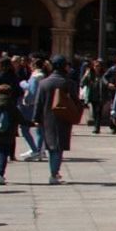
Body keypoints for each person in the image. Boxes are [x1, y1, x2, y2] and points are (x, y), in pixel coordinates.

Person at [31, 55, 76, 185]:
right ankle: (54, 173)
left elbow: (38, 102)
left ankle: (54, 172)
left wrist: (36, 118)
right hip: (64, 117)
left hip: (47, 118)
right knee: (58, 146)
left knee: (52, 147)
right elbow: (75, 101)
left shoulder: (44, 83)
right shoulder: (68, 83)